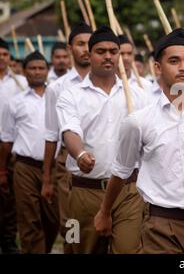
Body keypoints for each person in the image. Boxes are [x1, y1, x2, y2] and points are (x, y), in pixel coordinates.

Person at [94, 28, 184, 254]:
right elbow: (121, 172)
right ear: (157, 67)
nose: (183, 67)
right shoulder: (139, 122)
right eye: (174, 61)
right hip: (161, 228)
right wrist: (105, 212)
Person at [56, 26, 148, 254]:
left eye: (113, 51)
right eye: (101, 51)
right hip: (84, 192)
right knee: (77, 246)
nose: (108, 56)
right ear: (89, 54)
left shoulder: (138, 94)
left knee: (129, 250)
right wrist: (80, 155)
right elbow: (69, 131)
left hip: (129, 192)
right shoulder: (71, 94)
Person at [40, 23, 92, 254]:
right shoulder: (56, 88)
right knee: (71, 224)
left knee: (98, 226)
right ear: (70, 47)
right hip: (67, 165)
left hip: (104, 163)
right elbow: (52, 135)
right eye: (80, 44)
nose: (86, 49)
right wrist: (47, 178)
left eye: (91, 44)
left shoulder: (111, 83)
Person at [0, 51, 59, 253]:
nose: (37, 72)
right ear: (24, 72)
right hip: (25, 168)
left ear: (47, 71)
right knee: (28, 219)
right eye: (32, 68)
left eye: (41, 68)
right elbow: (6, 139)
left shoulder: (58, 98)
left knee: (55, 219)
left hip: (54, 168)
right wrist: (3, 171)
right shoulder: (14, 103)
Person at [0, 37, 27, 254]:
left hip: (10, 145)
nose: (2, 59)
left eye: (5, 55)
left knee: (9, 197)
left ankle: (8, 240)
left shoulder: (21, 83)